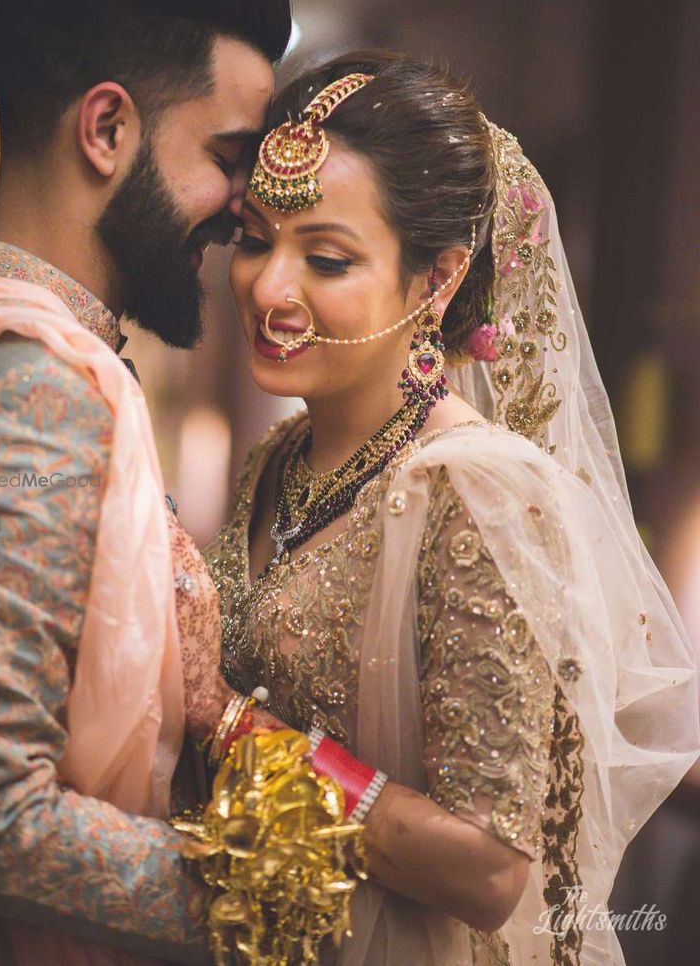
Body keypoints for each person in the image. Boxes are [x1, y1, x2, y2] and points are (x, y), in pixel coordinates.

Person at [205, 50, 700, 964]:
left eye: (325, 257)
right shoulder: (278, 460)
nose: (269, 288)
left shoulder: (478, 493)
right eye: (252, 238)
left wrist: (229, 724)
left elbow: (486, 871)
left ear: (435, 279)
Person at [0, 0, 292, 965]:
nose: (239, 206)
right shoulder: (33, 387)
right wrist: (285, 900)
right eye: (227, 155)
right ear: (106, 127)